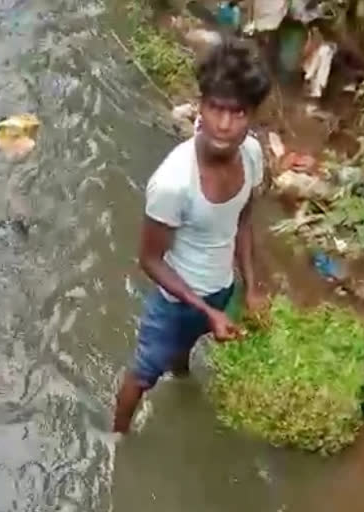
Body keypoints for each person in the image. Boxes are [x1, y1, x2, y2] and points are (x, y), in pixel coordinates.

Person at [113, 37, 272, 433]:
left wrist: (251, 287)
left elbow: (244, 220)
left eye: (237, 112)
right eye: (215, 107)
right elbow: (149, 260)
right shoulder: (173, 183)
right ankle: (116, 437)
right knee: (142, 376)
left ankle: (183, 378)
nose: (223, 123)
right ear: (200, 105)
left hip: (222, 289)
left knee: (185, 357)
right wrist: (206, 311)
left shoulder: (252, 155)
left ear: (252, 115)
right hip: (176, 303)